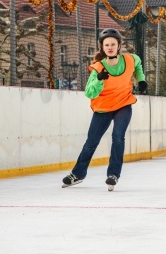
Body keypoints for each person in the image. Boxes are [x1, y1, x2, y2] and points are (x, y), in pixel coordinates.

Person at [62, 28, 147, 191]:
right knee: (91, 142)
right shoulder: (98, 68)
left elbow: (137, 65)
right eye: (106, 44)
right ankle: (78, 174)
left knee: (118, 137)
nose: (110, 47)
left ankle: (113, 174)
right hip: (103, 108)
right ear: (102, 47)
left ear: (119, 45)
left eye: (113, 44)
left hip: (123, 104)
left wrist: (141, 80)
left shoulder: (130, 59)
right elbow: (89, 92)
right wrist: (99, 80)